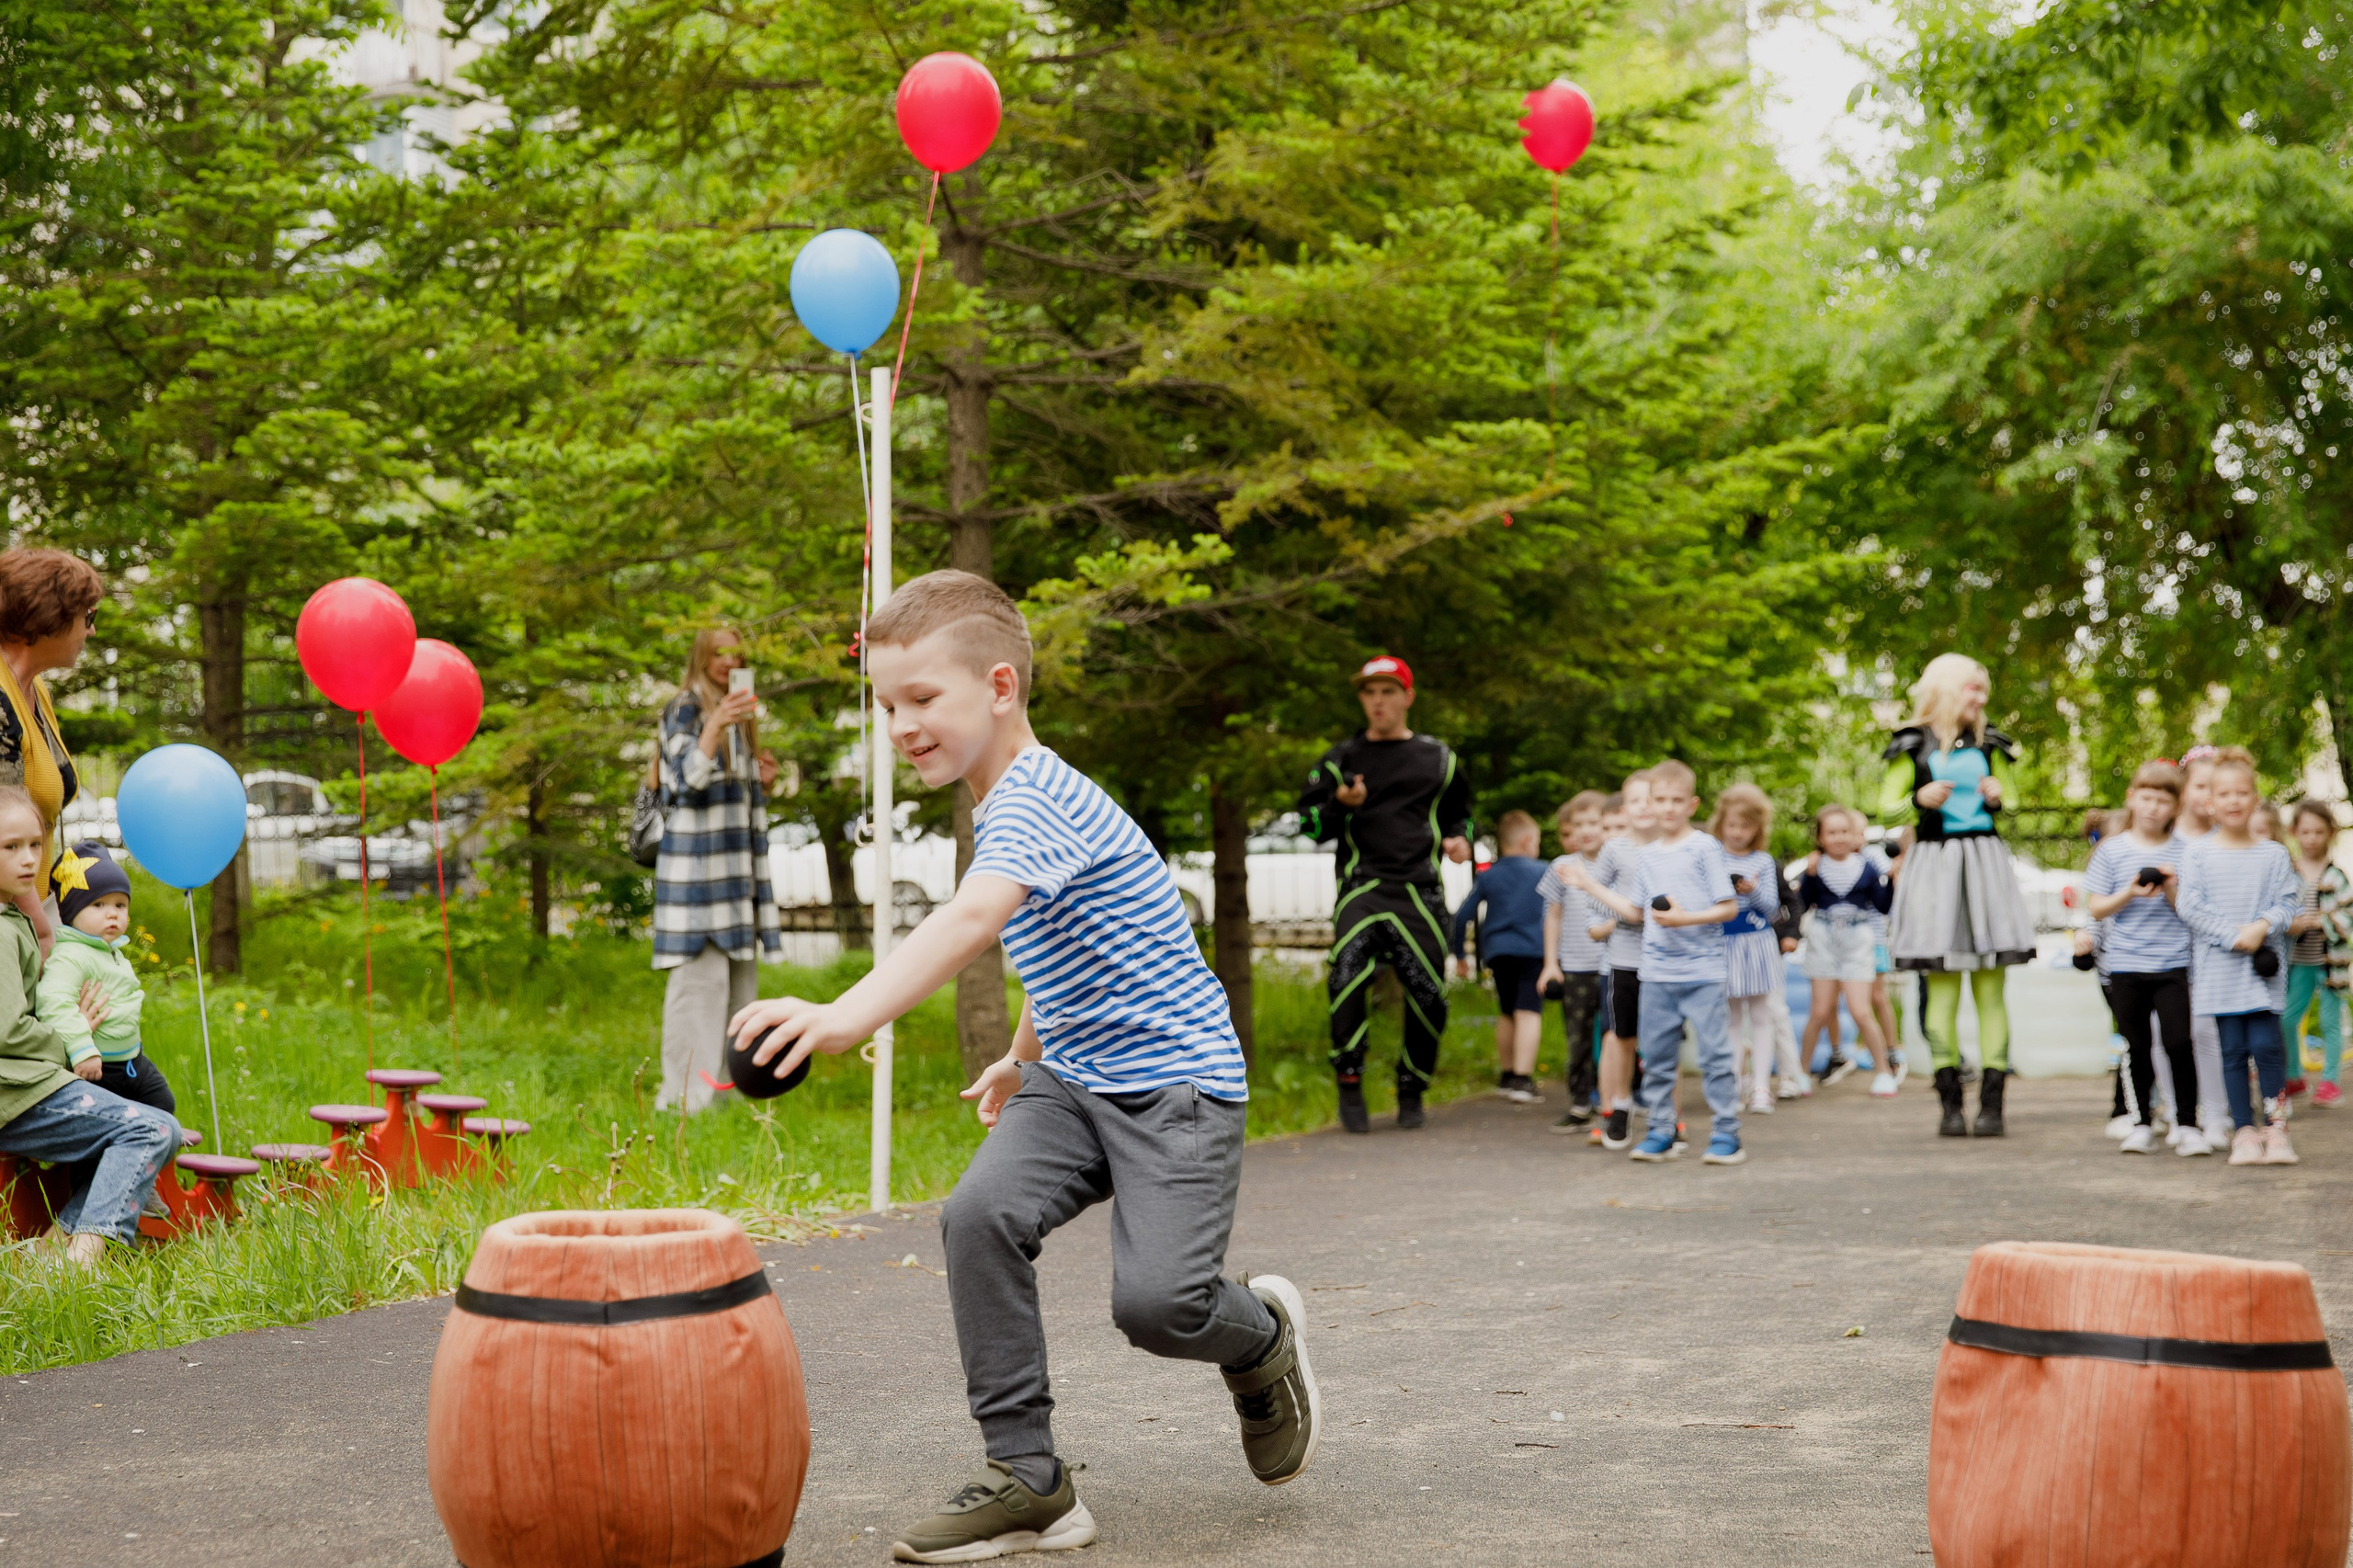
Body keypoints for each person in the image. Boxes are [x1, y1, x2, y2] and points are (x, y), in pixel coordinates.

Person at [724, 572, 1315, 1562]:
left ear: (999, 686)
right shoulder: (1001, 805)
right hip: (1071, 1076)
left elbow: (970, 921)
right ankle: (1030, 1478)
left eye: (922, 698)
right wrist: (1018, 1054)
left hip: (1175, 1084)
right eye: (885, 704)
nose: (901, 723)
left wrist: (840, 1016)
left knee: (1160, 1306)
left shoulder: (1037, 795)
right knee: (978, 1215)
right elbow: (1081, 945)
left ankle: (1257, 1339)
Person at [1298, 654, 1472, 1134]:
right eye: (1369, 692)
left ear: (1407, 697)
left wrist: (1460, 840)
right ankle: (1349, 1082)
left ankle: (1412, 1088)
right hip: (1363, 887)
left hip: (1420, 891)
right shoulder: (1340, 760)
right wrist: (1340, 804)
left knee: (1428, 995)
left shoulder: (1440, 759)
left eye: (1388, 692)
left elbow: (1461, 816)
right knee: (1347, 975)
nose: (1378, 702)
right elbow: (1309, 824)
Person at [0, 787, 173, 1268]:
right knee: (151, 1130)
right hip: (15, 1091)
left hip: (26, 1081)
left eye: (35, 845)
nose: (29, 859)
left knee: (156, 1122)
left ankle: (60, 1246)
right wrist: (71, 1042)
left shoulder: (11, 915)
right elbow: (6, 1032)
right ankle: (83, 1254)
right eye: (10, 847)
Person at [1880, 653, 2038, 1138]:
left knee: (1992, 990)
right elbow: (1884, 801)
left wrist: (1997, 794)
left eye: (1983, 689)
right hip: (1934, 866)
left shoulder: (1992, 745)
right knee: (1941, 992)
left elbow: (2013, 797)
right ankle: (1949, 1104)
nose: (1981, 697)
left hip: (1985, 866)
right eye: (1973, 688)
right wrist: (1915, 799)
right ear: (1948, 689)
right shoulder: (1912, 744)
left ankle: (1993, 1107)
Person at [1580, 761, 1745, 1165]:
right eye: (1660, 800)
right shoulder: (1647, 856)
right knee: (1656, 1057)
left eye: (1676, 800)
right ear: (1649, 804)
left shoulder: (1705, 846)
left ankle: (1727, 1134)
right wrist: (1589, 885)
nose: (1668, 808)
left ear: (1691, 804)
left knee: (1715, 1057)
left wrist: (1684, 918)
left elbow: (1727, 908)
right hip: (1655, 974)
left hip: (1703, 972)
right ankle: (1661, 1131)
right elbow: (1635, 913)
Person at [652, 627, 781, 1115]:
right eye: (719, 653)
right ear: (702, 657)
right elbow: (684, 780)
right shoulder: (686, 706)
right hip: (698, 878)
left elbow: (729, 797)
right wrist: (715, 724)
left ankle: (724, 1099)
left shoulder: (740, 716)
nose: (728, 662)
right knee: (698, 992)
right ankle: (683, 1102)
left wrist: (761, 782)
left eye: (736, 653)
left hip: (736, 875)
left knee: (739, 993)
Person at [2177, 754, 2303, 1165]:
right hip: (2219, 972)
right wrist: (2235, 936)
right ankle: (2243, 1131)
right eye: (2224, 793)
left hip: (2262, 972)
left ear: (2255, 800)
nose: (2233, 801)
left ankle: (2276, 1128)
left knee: (2268, 1047)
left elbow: (2287, 903)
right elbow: (2190, 905)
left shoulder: (2273, 856)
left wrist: (2262, 925)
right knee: (2231, 1051)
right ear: (2209, 802)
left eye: (2242, 793)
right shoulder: (2197, 854)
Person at [2083, 763, 2203, 1154]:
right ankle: (2140, 1123)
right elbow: (2097, 908)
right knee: (2135, 1047)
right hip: (2125, 965)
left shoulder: (2186, 852)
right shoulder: (2110, 850)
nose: (2153, 807)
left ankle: (2187, 1124)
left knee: (2178, 1043)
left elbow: (2192, 911)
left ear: (2176, 806)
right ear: (2132, 798)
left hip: (2172, 965)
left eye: (2162, 800)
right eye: (2146, 798)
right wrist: (2131, 892)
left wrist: (2170, 889)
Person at [0, 550, 102, 954]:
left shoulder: (35, 688)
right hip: (12, 928)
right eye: (87, 618)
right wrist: (43, 933)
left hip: (29, 916)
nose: (91, 632)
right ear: (48, 618)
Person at [1559, 771, 1656, 1149]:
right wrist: (1619, 916)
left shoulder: (1666, 850)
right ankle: (1613, 1109)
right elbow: (1596, 923)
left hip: (1660, 963)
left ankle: (1661, 1114)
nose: (1614, 832)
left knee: (1655, 1041)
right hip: (1615, 964)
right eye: (1610, 825)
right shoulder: (1609, 862)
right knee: (1615, 1038)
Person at [36, 842, 161, 1112]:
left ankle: (156, 1145)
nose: (112, 913)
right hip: (98, 1064)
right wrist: (82, 1049)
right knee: (105, 1122)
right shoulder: (71, 956)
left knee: (162, 1103)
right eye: (98, 904)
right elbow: (54, 1003)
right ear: (71, 913)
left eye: (120, 904)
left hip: (131, 1059)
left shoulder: (109, 951)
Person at [1793, 807, 1899, 1100]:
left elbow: (1882, 906)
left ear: (1854, 835)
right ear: (1820, 837)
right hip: (1823, 938)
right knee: (1820, 1010)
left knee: (1861, 1010)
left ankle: (1883, 1072)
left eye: (1844, 831)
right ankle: (1801, 1072)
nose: (1838, 838)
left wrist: (1892, 879)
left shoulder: (1866, 867)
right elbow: (1803, 902)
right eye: (1831, 832)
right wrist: (1810, 876)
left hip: (1858, 939)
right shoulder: (1813, 868)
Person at [1451, 811, 1549, 1104]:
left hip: (1498, 952)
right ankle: (1523, 1078)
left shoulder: (1489, 875)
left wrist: (1459, 954)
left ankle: (1506, 1075)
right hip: (1533, 950)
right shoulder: (1544, 871)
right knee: (1528, 1011)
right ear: (1529, 840)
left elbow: (1461, 917)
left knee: (1507, 1010)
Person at [1710, 784, 1788, 1115]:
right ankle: (1730, 1084)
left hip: (1756, 943)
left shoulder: (1764, 862)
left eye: (1745, 826)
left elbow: (1772, 908)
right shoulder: (1710, 856)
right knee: (1729, 1019)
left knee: (1761, 1016)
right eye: (1732, 825)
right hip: (1721, 942)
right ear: (1720, 824)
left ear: (1757, 828)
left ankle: (1760, 1087)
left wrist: (1752, 891)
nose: (1738, 832)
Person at [1538, 791, 1610, 1128]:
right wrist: (1551, 963)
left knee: (1618, 1035)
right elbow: (1552, 916)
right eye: (1578, 824)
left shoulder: (1618, 863)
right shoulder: (1561, 867)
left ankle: (1621, 1098)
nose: (1586, 830)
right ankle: (1581, 1102)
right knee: (1578, 1036)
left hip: (1615, 964)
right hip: (1576, 966)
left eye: (1593, 822)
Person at [2175, 748, 2235, 1148]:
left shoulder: (2226, 839)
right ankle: (2176, 1110)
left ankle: (2218, 1113)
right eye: (2200, 786)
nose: (2207, 796)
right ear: (2184, 790)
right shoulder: (2168, 835)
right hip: (2166, 951)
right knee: (2170, 1035)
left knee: (2208, 1031)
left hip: (2212, 949)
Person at [2282, 799, 2346, 1106]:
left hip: (2330, 964)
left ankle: (2330, 1082)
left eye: (2319, 832)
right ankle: (2294, 1076)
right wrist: (2292, 923)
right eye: (2305, 831)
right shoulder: (2288, 872)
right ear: (2295, 832)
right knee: (2286, 1018)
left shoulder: (2337, 876)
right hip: (2299, 961)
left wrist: (2321, 922)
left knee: (2332, 1022)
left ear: (2329, 833)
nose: (2311, 838)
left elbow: (2346, 917)